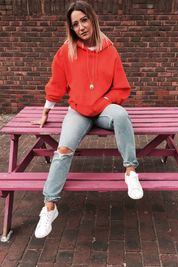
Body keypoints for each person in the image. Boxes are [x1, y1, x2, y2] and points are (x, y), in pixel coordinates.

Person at [33, 0, 143, 239]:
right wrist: (46, 109)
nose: (81, 27)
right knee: (62, 150)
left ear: (92, 19)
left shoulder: (110, 50)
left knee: (122, 115)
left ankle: (130, 171)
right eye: (75, 24)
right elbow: (57, 84)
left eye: (83, 20)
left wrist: (103, 102)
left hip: (104, 110)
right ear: (71, 29)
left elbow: (121, 88)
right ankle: (50, 207)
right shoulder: (66, 51)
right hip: (78, 111)